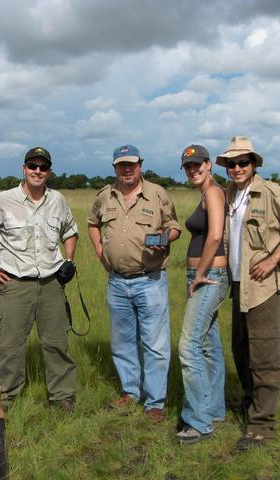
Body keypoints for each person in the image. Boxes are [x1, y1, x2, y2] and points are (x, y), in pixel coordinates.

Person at [215, 136, 280, 451]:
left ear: (254, 164)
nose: (237, 168)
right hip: (238, 284)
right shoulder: (229, 194)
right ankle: (249, 404)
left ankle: (262, 426)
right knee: (241, 350)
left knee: (265, 355)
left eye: (244, 162)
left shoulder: (271, 193)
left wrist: (272, 260)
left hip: (263, 287)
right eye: (232, 163)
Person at [87, 144, 181, 423]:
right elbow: (93, 222)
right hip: (117, 282)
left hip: (150, 280)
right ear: (114, 167)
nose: (126, 170)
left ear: (140, 165)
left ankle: (155, 402)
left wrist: (167, 238)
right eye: (121, 165)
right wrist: (100, 252)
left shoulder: (157, 193)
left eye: (131, 164)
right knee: (122, 342)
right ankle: (130, 392)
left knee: (155, 344)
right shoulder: (105, 195)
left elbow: (174, 225)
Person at [0, 147, 78, 412]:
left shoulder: (57, 200)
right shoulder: (3, 200)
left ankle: (62, 397)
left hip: (51, 283)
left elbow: (70, 231)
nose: (38, 171)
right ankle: (6, 398)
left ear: (49, 172)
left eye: (43, 167)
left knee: (57, 343)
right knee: (9, 345)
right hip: (14, 283)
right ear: (23, 168)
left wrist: (68, 261)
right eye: (32, 166)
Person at [176, 145, 229, 444]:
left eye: (198, 165)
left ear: (209, 165)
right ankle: (214, 409)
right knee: (209, 344)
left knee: (189, 345)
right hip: (206, 274)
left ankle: (198, 421)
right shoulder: (207, 192)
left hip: (210, 276)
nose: (193, 170)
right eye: (188, 166)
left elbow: (216, 235)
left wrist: (199, 274)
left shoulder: (213, 192)